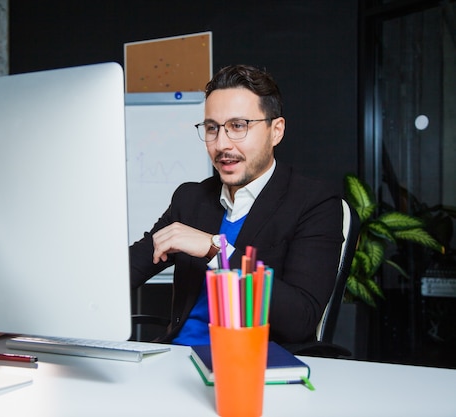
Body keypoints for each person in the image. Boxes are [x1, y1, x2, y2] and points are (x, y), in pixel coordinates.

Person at [129, 64, 343, 347]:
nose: (221, 144)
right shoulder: (190, 199)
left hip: (250, 369)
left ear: (276, 130)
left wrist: (215, 250)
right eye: (212, 128)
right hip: (177, 359)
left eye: (238, 127)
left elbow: (299, 318)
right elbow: (129, 269)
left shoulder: (314, 203)